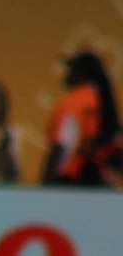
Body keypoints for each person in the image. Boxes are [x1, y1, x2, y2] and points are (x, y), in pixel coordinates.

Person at [42, 51, 121, 185]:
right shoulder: (105, 101)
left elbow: (61, 146)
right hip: (99, 179)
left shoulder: (73, 102)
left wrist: (45, 183)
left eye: (71, 69)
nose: (67, 74)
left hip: (72, 178)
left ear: (81, 72)